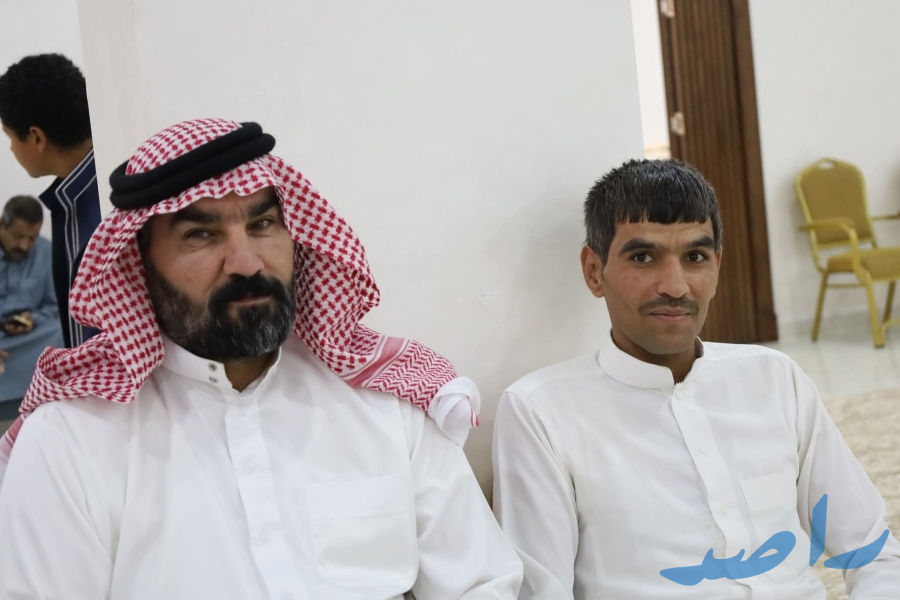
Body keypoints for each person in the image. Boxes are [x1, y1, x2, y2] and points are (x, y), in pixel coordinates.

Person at [0, 118, 522, 599]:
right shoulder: (71, 441)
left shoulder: (385, 400)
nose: (247, 263)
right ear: (138, 262)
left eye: (264, 224)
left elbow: (483, 583)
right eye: (201, 234)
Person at [491, 159, 900, 599]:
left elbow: (872, 552)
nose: (676, 286)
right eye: (643, 257)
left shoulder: (774, 378)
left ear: (717, 266)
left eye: (695, 257)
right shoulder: (542, 413)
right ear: (594, 271)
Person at [0, 53, 102, 348]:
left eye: (9, 136)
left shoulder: (92, 211)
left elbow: (88, 339)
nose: (11, 148)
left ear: (36, 138)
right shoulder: (83, 191)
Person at [0, 195, 63, 403]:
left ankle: (41, 395)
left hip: (30, 336)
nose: (25, 245)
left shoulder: (46, 252)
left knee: (59, 331)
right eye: (18, 236)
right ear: (2, 224)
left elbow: (53, 305)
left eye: (32, 238)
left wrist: (32, 319)